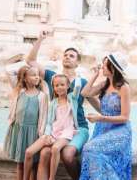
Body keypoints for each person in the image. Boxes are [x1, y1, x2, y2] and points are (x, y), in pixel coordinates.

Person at [25, 31, 99, 180]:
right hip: (57, 129)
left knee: (67, 155)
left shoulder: (82, 83)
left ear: (77, 63)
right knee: (45, 153)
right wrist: (40, 38)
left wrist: (111, 118)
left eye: (71, 56)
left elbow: (99, 106)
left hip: (79, 129)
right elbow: (31, 61)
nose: (67, 57)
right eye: (65, 55)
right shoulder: (53, 77)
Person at [79, 52, 132, 180]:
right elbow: (85, 93)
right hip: (103, 129)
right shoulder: (104, 84)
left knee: (89, 148)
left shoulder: (124, 87)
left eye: (104, 64)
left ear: (112, 68)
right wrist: (95, 75)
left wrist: (99, 118)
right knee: (91, 152)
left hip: (120, 131)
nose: (102, 67)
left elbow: (125, 117)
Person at [23, 74, 83, 180]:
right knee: (28, 152)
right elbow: (49, 122)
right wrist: (47, 134)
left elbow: (78, 86)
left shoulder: (72, 98)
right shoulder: (53, 103)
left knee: (55, 148)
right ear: (53, 87)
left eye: (62, 85)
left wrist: (77, 77)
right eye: (56, 85)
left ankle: (51, 178)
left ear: (68, 85)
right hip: (53, 132)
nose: (59, 87)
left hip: (66, 132)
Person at [3, 66, 49, 180]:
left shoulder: (42, 96)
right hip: (18, 130)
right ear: (24, 78)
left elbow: (43, 117)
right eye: (33, 75)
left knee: (33, 164)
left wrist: (41, 133)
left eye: (37, 74)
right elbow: (9, 71)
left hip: (33, 132)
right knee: (20, 163)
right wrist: (25, 69)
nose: (37, 77)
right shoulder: (19, 91)